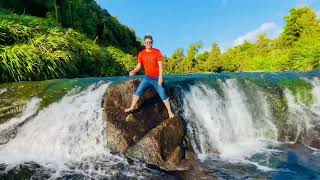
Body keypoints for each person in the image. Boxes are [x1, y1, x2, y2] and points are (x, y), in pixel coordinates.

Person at [124, 35, 175, 118]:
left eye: (150, 42)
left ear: (152, 43)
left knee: (163, 95)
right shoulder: (141, 54)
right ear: (144, 43)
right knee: (138, 92)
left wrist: (160, 77)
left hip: (156, 78)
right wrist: (133, 71)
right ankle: (132, 107)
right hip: (147, 78)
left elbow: (161, 66)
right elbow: (139, 66)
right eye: (147, 42)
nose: (148, 43)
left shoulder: (157, 52)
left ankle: (169, 112)